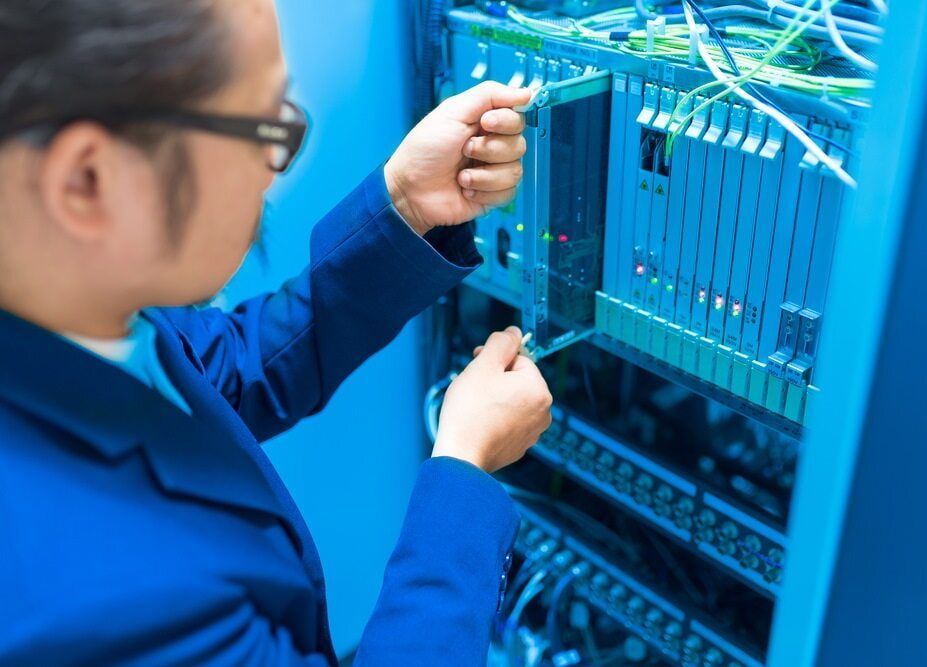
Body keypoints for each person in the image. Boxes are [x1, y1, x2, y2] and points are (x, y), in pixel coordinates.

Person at [0, 0, 553, 665]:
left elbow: (225, 365)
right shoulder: (104, 610)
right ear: (87, 180)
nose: (276, 164)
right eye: (263, 124)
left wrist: (407, 205)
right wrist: (462, 466)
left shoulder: (62, 307)